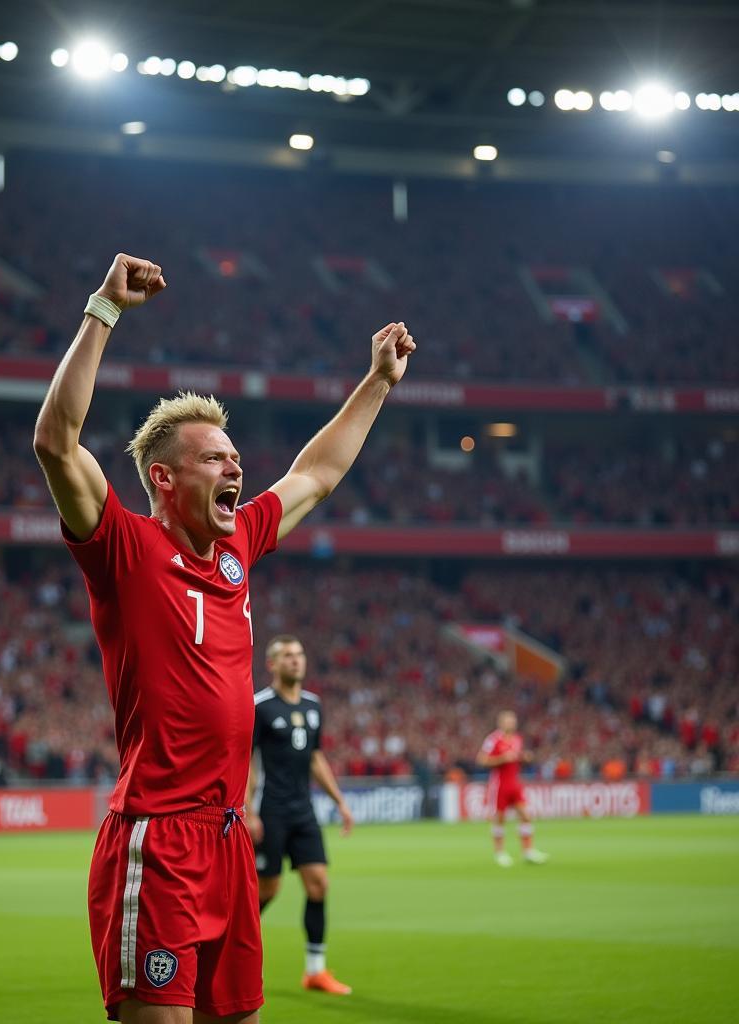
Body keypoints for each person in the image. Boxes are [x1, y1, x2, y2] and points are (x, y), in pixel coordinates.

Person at [32, 253, 415, 1023]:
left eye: (236, 458)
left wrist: (376, 382)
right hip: (159, 838)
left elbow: (318, 474)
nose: (235, 467)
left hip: (230, 842)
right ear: (167, 480)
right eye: (215, 458)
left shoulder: (240, 545)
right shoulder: (126, 550)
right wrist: (103, 310)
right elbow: (56, 442)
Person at [246, 635, 355, 996]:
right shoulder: (259, 706)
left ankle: (315, 971)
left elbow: (315, 757)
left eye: (299, 654)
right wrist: (248, 810)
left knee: (319, 884)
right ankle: (228, 953)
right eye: (287, 656)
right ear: (272, 664)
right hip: (269, 809)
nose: (296, 661)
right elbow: (247, 761)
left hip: (302, 810)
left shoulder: (313, 705)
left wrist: (339, 800)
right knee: (268, 889)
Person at [476, 710, 549, 867]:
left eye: (513, 721)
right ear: (501, 723)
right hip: (500, 784)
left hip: (514, 783)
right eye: (508, 721)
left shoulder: (517, 739)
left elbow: (516, 757)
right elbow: (482, 760)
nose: (512, 723)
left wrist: (524, 758)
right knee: (500, 819)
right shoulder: (493, 739)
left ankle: (528, 851)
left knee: (526, 815)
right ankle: (500, 853)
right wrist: (502, 758)